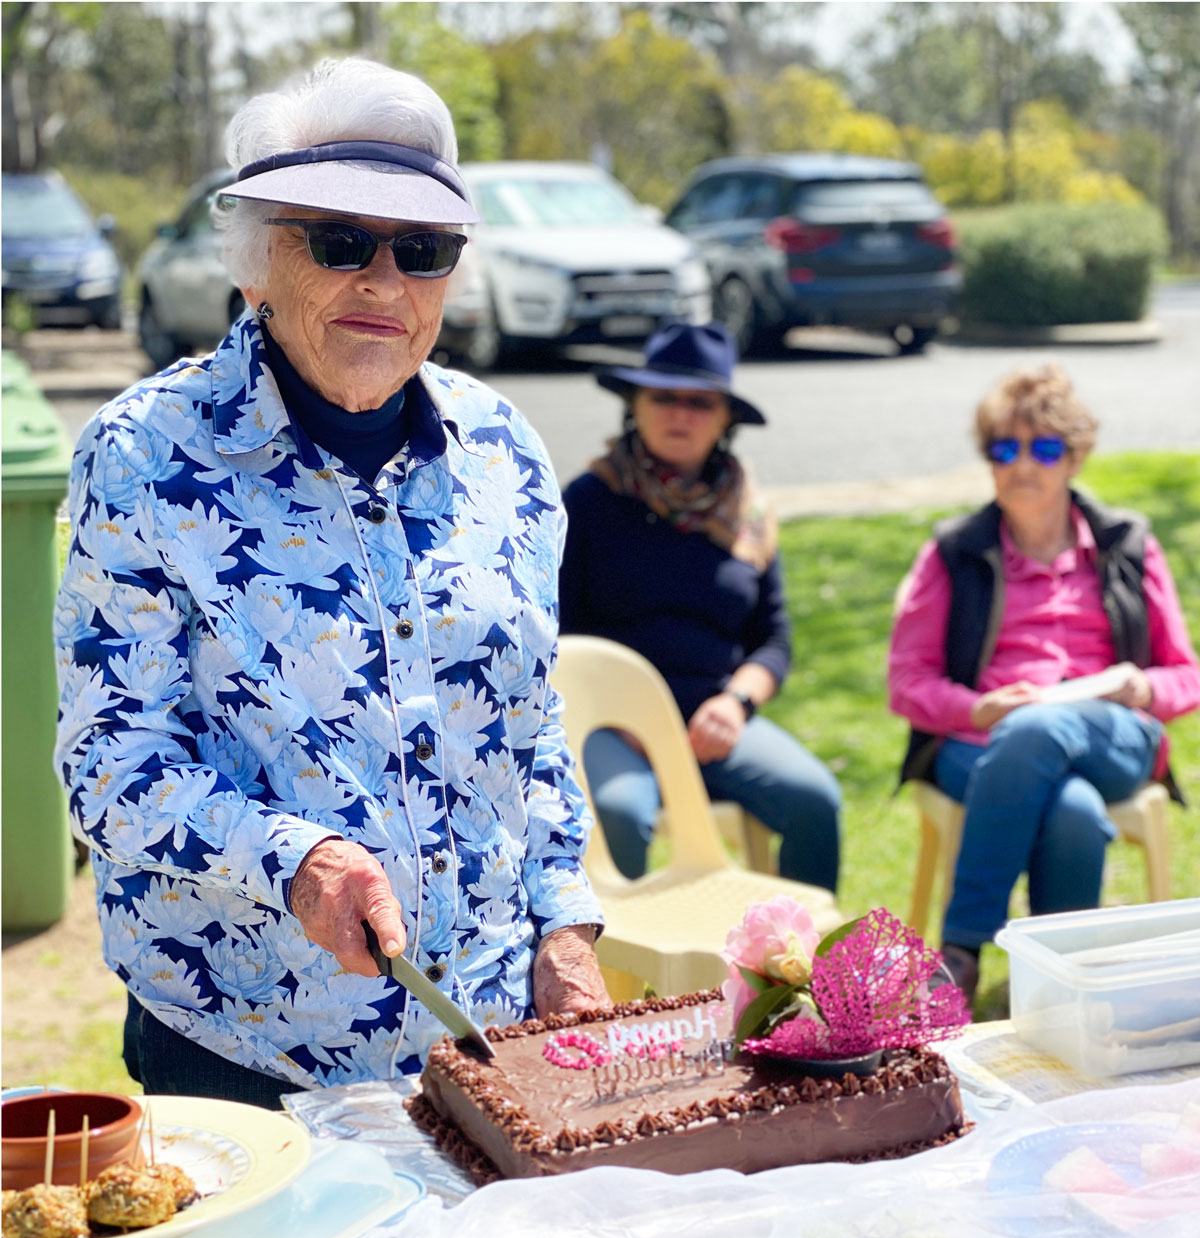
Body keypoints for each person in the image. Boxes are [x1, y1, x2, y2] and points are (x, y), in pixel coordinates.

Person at [53, 58, 608, 1110]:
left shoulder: (506, 452)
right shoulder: (142, 456)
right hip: (249, 1052)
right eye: (341, 242)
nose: (385, 284)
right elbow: (110, 767)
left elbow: (529, 729)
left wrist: (566, 928)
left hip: (488, 1039)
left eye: (424, 250)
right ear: (257, 261)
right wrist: (295, 859)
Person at [888, 364, 1200, 1001]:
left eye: (1045, 448)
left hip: (1112, 732)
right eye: (1005, 448)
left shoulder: (1127, 544)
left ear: (1075, 458)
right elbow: (907, 682)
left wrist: (1141, 689)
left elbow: (1185, 675)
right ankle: (1058, 984)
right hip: (982, 745)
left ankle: (960, 951)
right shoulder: (955, 551)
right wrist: (978, 710)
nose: (1022, 464)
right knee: (1074, 812)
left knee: (1040, 724)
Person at [558, 321, 842, 889]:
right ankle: (611, 974)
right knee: (619, 814)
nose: (679, 414)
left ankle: (801, 972)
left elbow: (774, 639)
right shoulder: (589, 500)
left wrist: (736, 703)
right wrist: (618, 710)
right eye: (663, 397)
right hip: (612, 724)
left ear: (725, 419)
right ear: (635, 404)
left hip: (713, 720)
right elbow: (555, 632)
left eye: (699, 402)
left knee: (816, 800)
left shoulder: (750, 512)